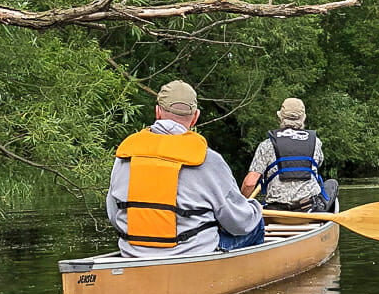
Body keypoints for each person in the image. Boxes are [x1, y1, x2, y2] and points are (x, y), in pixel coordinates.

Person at [107, 80, 264, 258]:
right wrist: (254, 209)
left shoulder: (126, 155)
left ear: (157, 111)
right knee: (256, 224)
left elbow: (113, 215)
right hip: (192, 255)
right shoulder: (209, 159)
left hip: (133, 254)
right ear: (195, 116)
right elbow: (239, 223)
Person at [241, 98, 337, 212]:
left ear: (280, 117)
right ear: (303, 118)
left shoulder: (267, 145)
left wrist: (240, 204)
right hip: (308, 209)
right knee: (332, 184)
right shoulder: (316, 142)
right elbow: (318, 164)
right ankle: (324, 217)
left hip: (276, 212)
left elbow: (249, 183)